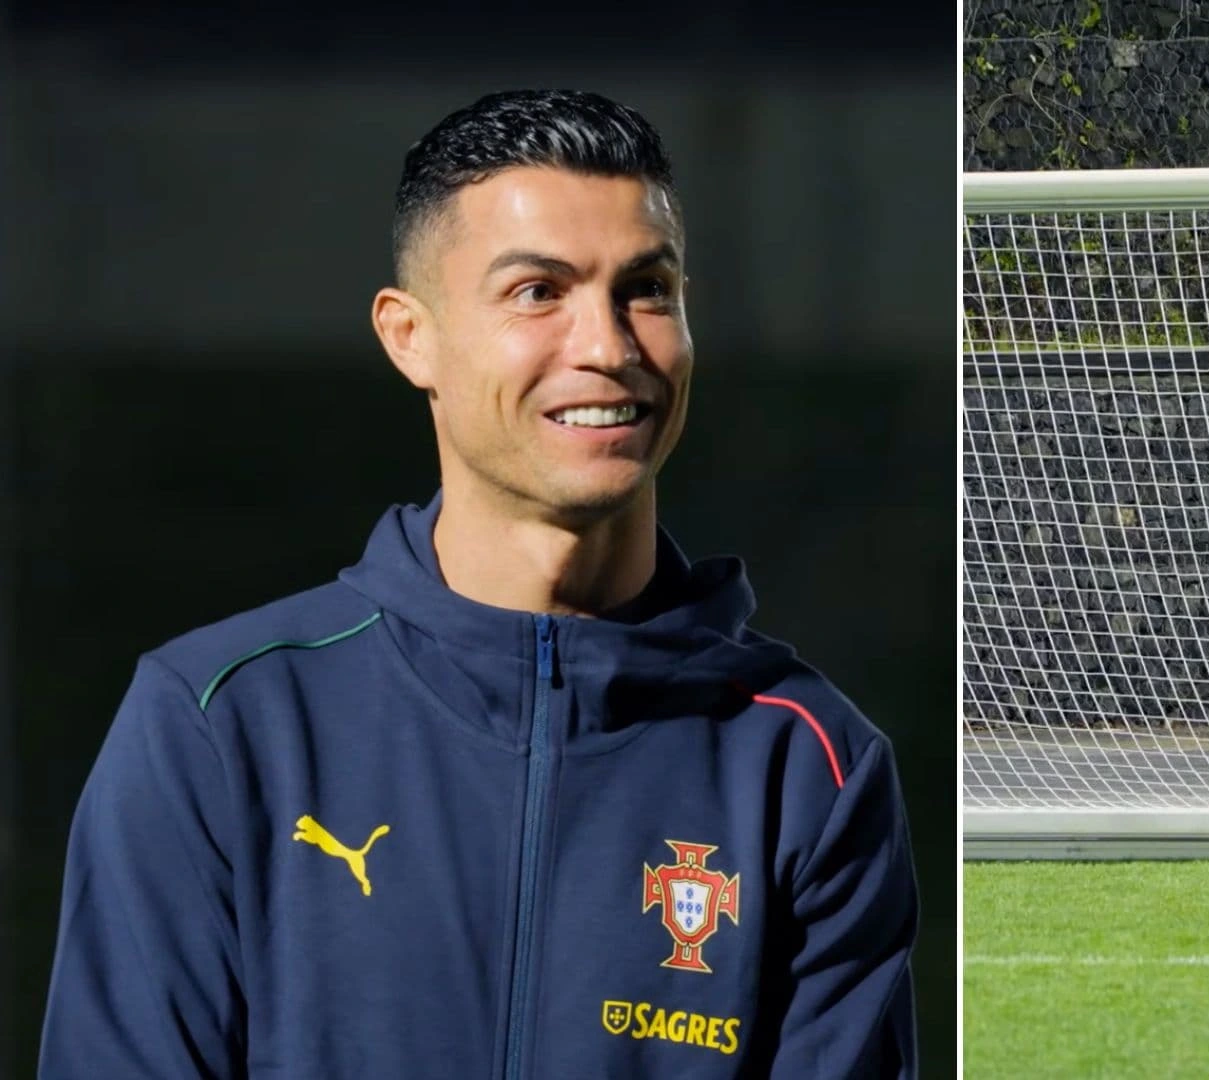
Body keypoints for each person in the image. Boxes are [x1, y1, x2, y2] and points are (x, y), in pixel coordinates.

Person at [39, 89, 918, 1078]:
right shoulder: (218, 721)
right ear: (410, 336)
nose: (609, 347)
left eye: (646, 290)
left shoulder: (810, 765)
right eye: (539, 291)